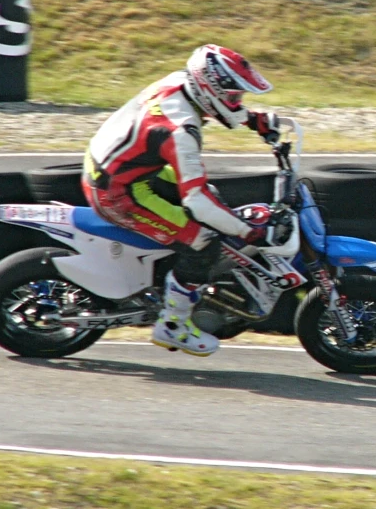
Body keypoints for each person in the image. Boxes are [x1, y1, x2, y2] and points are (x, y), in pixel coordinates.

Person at [81, 44, 281, 357]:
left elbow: (216, 106)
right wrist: (250, 232)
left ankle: (175, 283)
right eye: (233, 97)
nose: (237, 102)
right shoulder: (180, 131)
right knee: (203, 240)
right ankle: (173, 325)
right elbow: (196, 201)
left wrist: (251, 119)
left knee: (213, 202)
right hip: (119, 192)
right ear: (209, 88)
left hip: (123, 168)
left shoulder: (179, 83)